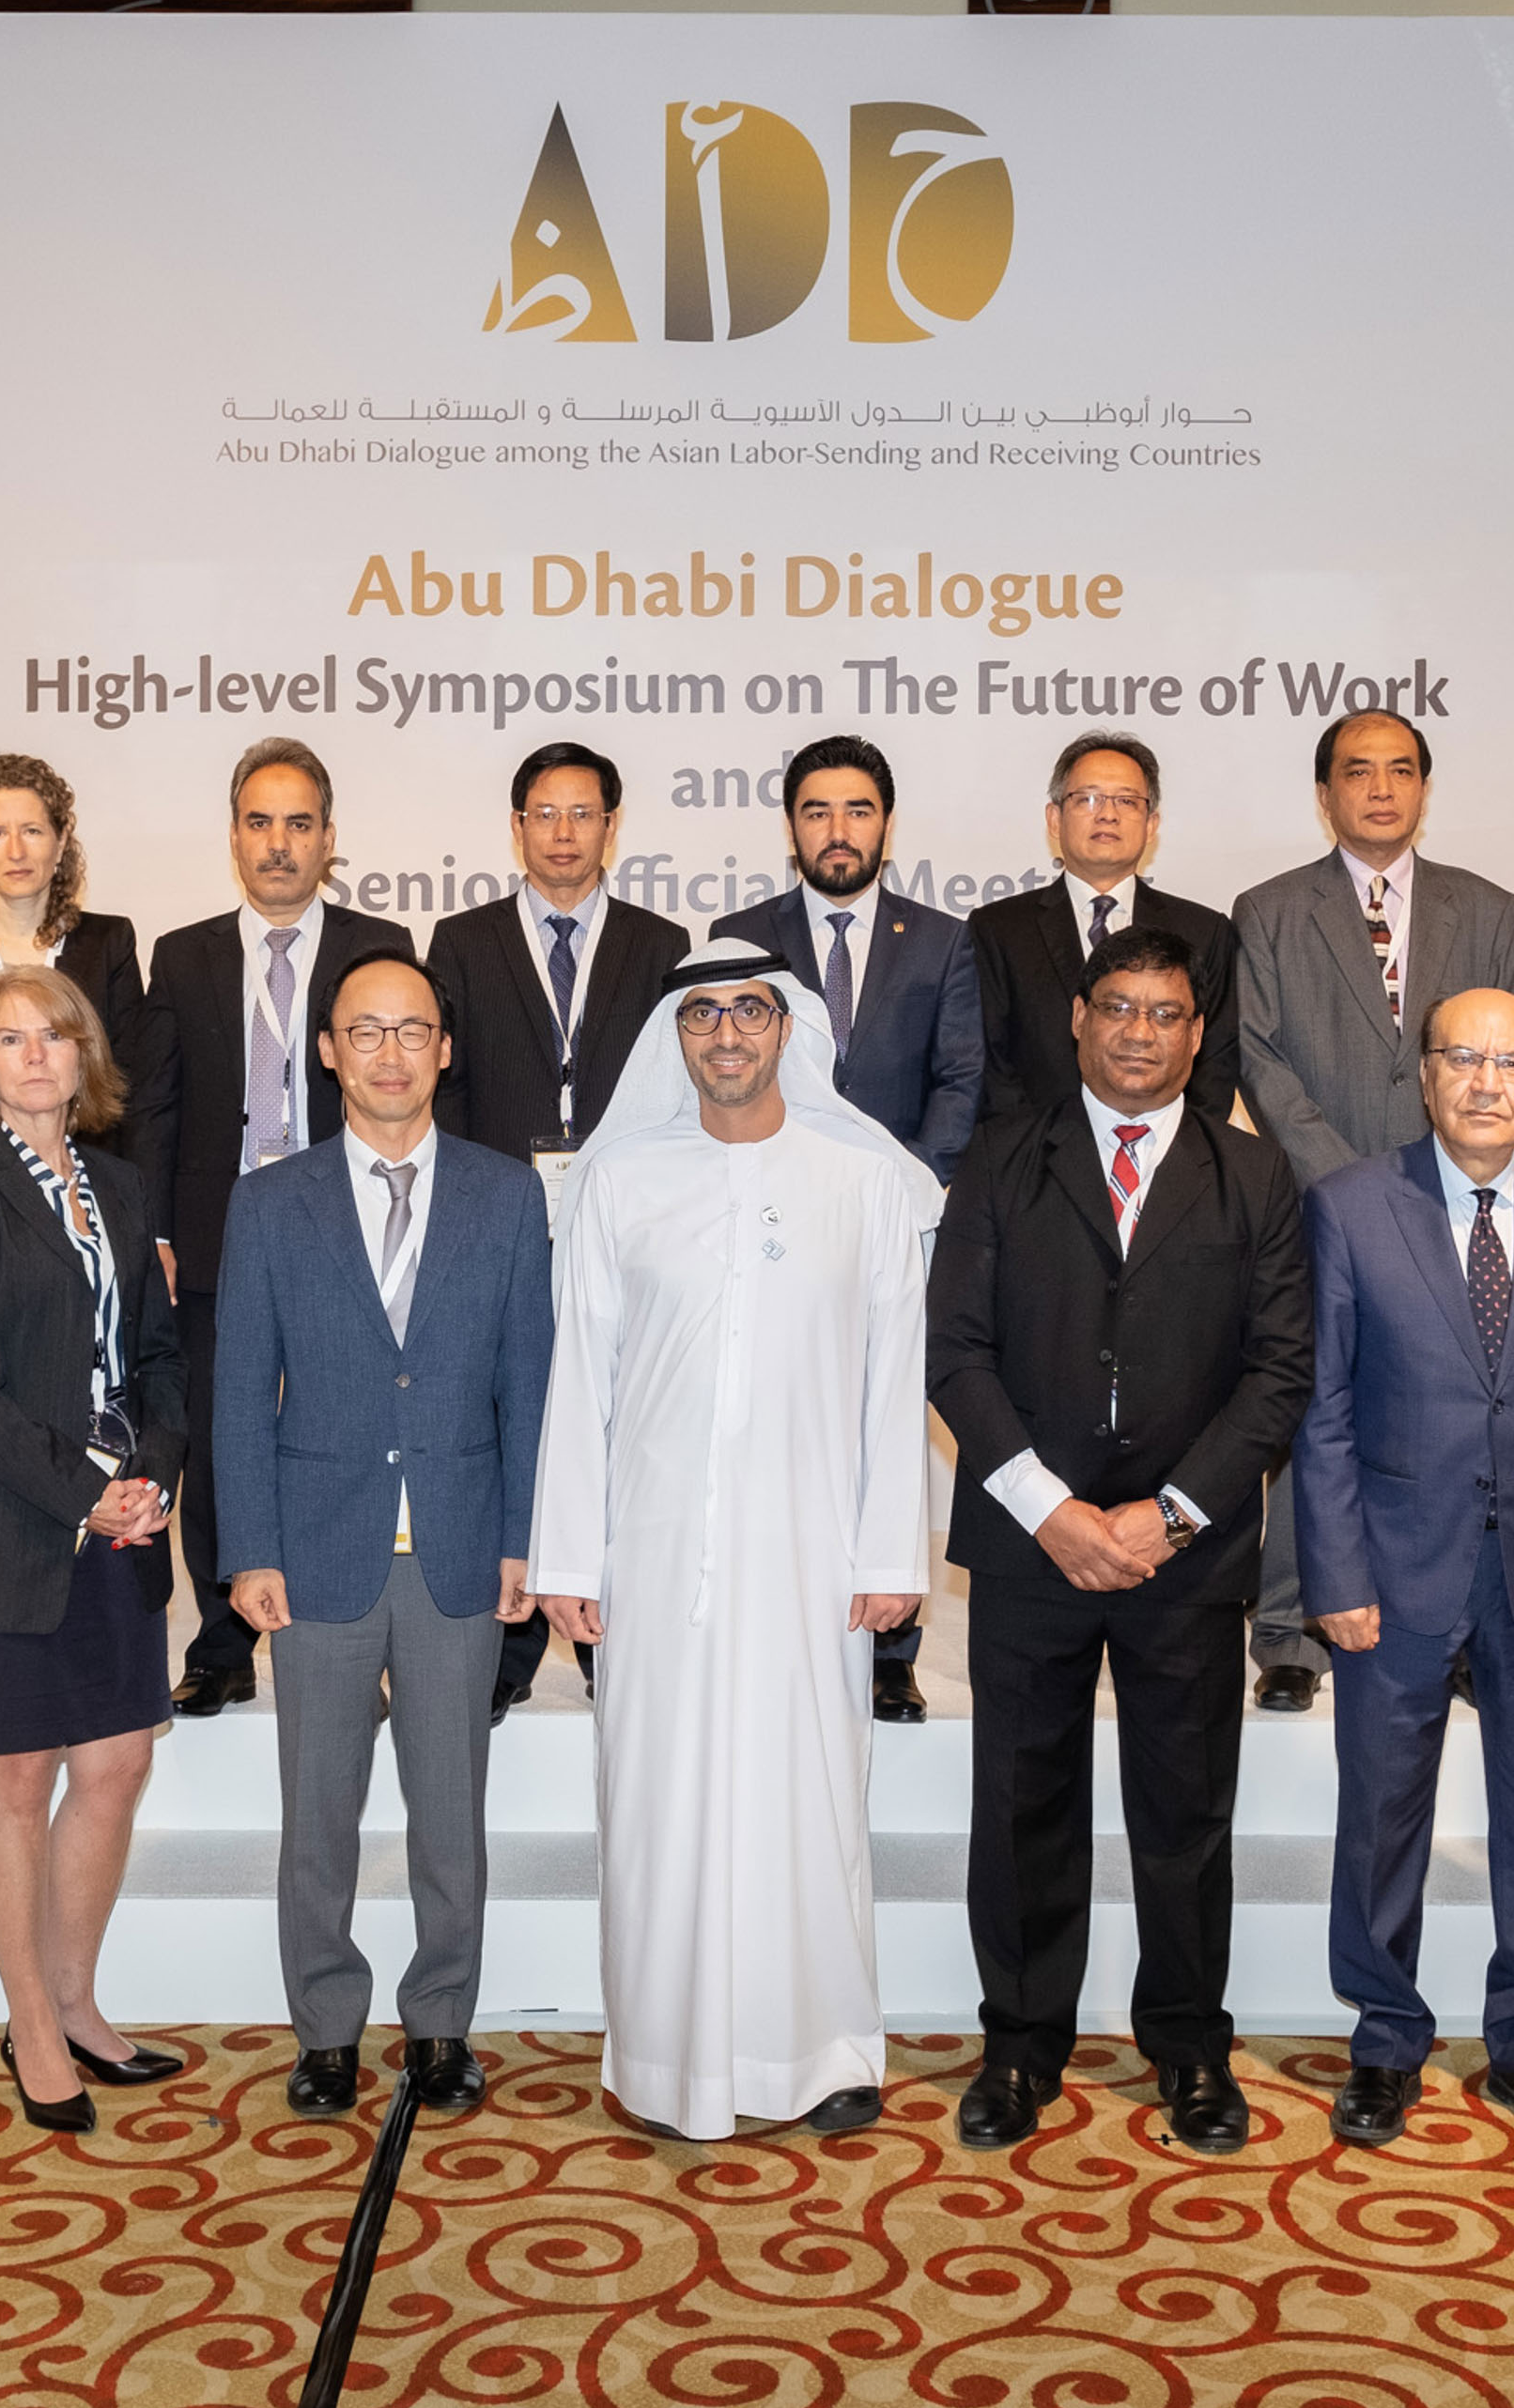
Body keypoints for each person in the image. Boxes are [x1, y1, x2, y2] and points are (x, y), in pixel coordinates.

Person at [527, 942, 937, 2141]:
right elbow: (579, 1377)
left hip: (814, 1560)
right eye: (700, 1014)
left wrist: (888, 1555)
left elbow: (893, 1380)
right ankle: (667, 2063)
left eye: (748, 1011)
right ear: (675, 1037)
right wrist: (568, 1559)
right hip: (655, 1558)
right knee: (661, 1807)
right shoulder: (617, 1182)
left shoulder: (863, 1182)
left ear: (785, 1027)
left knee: (811, 1801)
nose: (724, 1034)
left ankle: (827, 2053)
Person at [929, 924, 1311, 2154]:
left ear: (1197, 1035)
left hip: (1180, 1554)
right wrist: (1050, 1510)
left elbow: (1278, 1370)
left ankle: (1189, 2047)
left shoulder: (1253, 1175)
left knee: (1184, 1813)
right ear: (1079, 1018)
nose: (1140, 1032)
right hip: (1033, 1542)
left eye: (1166, 1013)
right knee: (1022, 1802)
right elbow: (956, 1352)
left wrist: (1170, 1513)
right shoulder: (1000, 1160)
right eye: (1119, 1008)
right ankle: (1019, 2043)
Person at [1292, 988, 1514, 2160]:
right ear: (1425, 1072)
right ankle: (1384, 2037)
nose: (1487, 1083)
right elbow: (1322, 1410)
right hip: (1391, 1571)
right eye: (1464, 1058)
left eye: (1513, 1063)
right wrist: (1333, 1571)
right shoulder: (1349, 1205)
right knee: (1379, 1816)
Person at [211, 955, 555, 2120]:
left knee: (449, 1815)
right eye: (365, 1031)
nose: (391, 1053)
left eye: (413, 1030)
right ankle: (324, 2028)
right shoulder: (270, 1201)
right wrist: (250, 1548)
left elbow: (528, 1381)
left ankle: (441, 2022)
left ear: (445, 1050)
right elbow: (237, 1389)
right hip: (317, 1552)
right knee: (317, 1814)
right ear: (327, 1051)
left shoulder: (506, 1196)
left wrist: (524, 1535)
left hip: (458, 1548)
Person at [0, 961, 194, 2133]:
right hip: (6, 1522)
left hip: (120, 1520)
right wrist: (88, 1492)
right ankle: (28, 2024)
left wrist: (150, 1473)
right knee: (18, 1781)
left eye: (53, 1035)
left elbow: (157, 1354)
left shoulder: (119, 1185)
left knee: (114, 1766)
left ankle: (75, 2000)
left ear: (83, 1058)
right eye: (9, 1038)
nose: (34, 1055)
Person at [1228, 708, 1514, 1712]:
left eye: (1400, 770)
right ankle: (1289, 1626)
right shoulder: (1268, 910)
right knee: (1308, 1402)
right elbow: (1257, 1057)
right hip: (1316, 1202)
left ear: (1423, 788)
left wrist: (1438, 1173)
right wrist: (1349, 1182)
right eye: (1357, 771)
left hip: (1458, 1201)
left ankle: (1450, 1623)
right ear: (1325, 793)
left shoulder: (1487, 909)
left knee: (1450, 1412)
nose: (1379, 788)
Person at [147, 738, 419, 1719]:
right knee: (221, 1439)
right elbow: (157, 1105)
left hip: (343, 1226)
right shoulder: (181, 954)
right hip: (215, 1235)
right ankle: (222, 1645)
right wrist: (155, 1233)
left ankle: (350, 1636)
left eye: (298, 824)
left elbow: (405, 1082)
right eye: (259, 823)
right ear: (233, 837)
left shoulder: (379, 944)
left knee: (345, 1432)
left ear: (328, 837)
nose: (277, 843)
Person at [728, 733, 983, 1723]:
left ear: (886, 823)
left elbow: (960, 1079)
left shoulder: (944, 941)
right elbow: (727, 1071)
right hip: (772, 1220)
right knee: (774, 1422)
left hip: (899, 1225)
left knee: (887, 1430)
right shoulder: (740, 933)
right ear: (791, 826)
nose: (838, 830)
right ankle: (772, 1620)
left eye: (857, 810)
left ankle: (889, 1653)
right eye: (817, 811)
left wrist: (896, 1188)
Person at [428, 739, 687, 1716]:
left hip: (624, 1225)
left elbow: (676, 1094)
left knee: (613, 1424)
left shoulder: (662, 945)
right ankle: (507, 1648)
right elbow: (447, 1090)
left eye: (583, 814)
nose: (563, 832)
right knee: (505, 1421)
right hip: (497, 1219)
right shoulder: (461, 940)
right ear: (517, 827)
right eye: (545, 813)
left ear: (611, 828)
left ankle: (600, 1636)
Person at [968, 732, 1243, 1159]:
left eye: (1127, 801)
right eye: (1088, 799)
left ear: (1151, 825)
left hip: (1166, 1166)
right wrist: (1048, 1157)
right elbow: (991, 1067)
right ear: (1054, 819)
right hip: (1033, 1164)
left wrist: (1166, 1161)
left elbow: (1214, 1067)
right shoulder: (997, 930)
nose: (1108, 815)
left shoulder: (1204, 931)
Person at [0, 753, 173, 1176]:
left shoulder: (109, 941)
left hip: (82, 1178)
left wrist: (73, 1178)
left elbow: (125, 1080)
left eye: (32, 830)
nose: (16, 851)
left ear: (61, 841)